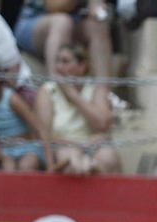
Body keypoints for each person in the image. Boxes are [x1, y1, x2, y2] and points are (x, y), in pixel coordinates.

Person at [34, 43, 117, 173]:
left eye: (65, 62)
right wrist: (78, 144)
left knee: (108, 158)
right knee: (70, 160)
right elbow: (45, 134)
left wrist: (73, 95)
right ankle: (88, 166)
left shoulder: (97, 88)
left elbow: (102, 124)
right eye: (57, 61)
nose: (58, 67)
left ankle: (91, 166)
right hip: (63, 146)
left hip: (94, 146)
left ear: (82, 66)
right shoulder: (47, 90)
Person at [13, 0, 113, 80]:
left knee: (98, 25)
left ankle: (103, 94)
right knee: (62, 22)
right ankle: (56, 91)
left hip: (74, 21)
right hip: (32, 22)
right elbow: (54, 6)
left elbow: (96, 10)